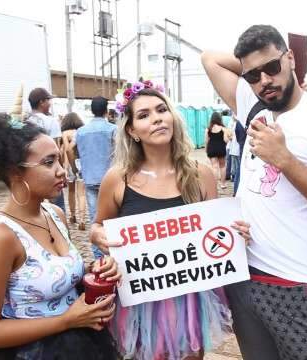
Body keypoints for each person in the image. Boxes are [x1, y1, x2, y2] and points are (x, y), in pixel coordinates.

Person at [202, 24, 307, 359]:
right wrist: (254, 69)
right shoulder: (254, 108)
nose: (264, 81)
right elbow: (210, 59)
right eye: (253, 76)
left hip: (298, 283)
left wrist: (285, 160)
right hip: (244, 276)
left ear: (290, 58)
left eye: (272, 68)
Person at [89, 80, 251, 359]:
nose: (156, 119)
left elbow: (215, 231)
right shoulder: (118, 178)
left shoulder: (201, 173)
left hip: (190, 298)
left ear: (172, 117)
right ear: (132, 130)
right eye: (144, 115)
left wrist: (236, 234)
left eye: (161, 110)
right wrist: (96, 235)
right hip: (141, 300)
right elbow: (98, 225)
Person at [0, 112, 121, 359]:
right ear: (15, 172)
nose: (62, 172)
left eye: (59, 160)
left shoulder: (55, 213)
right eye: (48, 163)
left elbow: (58, 276)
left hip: (80, 344)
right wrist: (66, 321)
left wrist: (93, 272)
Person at [76, 96, 117, 259]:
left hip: (90, 178)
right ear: (106, 110)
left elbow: (74, 150)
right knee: (114, 219)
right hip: (111, 179)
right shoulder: (113, 129)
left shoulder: (81, 131)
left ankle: (99, 257)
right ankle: (115, 254)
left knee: (96, 220)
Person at [27, 87, 66, 213]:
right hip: (50, 168)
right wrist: (61, 170)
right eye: (48, 100)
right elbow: (57, 149)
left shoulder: (25, 123)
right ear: (41, 102)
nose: (50, 104)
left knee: (35, 206)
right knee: (58, 205)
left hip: (32, 170)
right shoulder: (51, 121)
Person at [61, 112, 87, 229]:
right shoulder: (82, 132)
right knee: (81, 194)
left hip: (71, 164)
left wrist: (66, 167)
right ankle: (82, 220)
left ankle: (72, 215)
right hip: (81, 164)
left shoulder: (65, 133)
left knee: (71, 192)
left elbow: (67, 150)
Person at [205, 111, 231, 189]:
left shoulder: (208, 129)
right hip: (221, 148)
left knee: (214, 167)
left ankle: (214, 185)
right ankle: (223, 184)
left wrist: (206, 150)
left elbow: (206, 141)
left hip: (212, 149)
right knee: (222, 167)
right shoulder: (223, 128)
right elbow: (226, 140)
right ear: (220, 119)